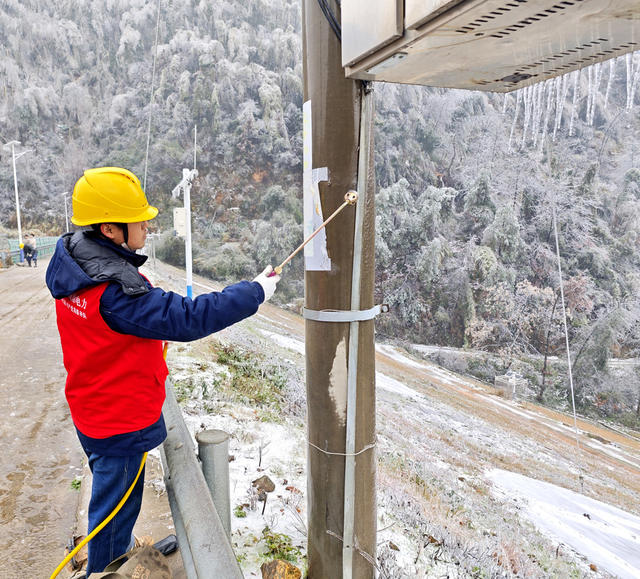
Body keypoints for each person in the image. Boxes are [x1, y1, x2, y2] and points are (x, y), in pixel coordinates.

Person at [45, 167, 280, 576]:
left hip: (93, 407)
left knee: (114, 498)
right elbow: (187, 318)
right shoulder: (115, 295)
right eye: (140, 219)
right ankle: (107, 566)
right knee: (112, 509)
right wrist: (254, 292)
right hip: (120, 422)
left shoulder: (74, 263)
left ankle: (121, 543)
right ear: (110, 229)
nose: (148, 225)